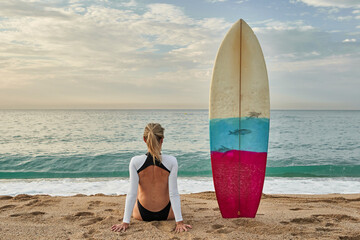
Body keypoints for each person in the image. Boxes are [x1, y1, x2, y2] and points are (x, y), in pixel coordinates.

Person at [111, 123, 192, 233]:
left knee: (139, 192)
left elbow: (132, 193)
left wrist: (125, 222)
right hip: (167, 214)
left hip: (141, 214)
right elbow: (173, 193)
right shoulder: (172, 161)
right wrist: (179, 222)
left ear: (144, 139)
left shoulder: (135, 161)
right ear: (162, 140)